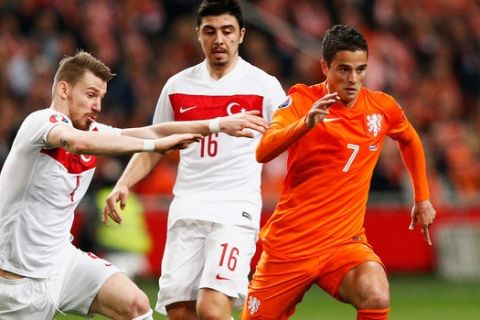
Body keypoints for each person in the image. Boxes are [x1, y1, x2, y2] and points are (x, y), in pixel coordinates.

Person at [0, 51, 268, 320]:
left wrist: (217, 124)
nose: (97, 106)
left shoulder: (91, 131)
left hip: (61, 262)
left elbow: (154, 130)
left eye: (101, 98)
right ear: (63, 89)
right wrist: (153, 146)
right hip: (15, 282)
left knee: (136, 304)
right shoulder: (41, 122)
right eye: (90, 95)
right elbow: (75, 142)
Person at [102, 1, 286, 319]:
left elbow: (289, 136)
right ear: (197, 34)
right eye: (210, 31)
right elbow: (155, 143)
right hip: (187, 209)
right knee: (180, 314)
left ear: (241, 35)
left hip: (234, 211)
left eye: (227, 31)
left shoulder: (264, 86)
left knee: (212, 310)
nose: (219, 39)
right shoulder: (177, 86)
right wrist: (123, 182)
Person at [241, 25, 437, 320]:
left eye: (361, 70)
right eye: (344, 70)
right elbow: (263, 150)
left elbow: (409, 139)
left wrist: (422, 198)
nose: (353, 80)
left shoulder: (381, 108)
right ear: (325, 67)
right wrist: (305, 124)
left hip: (343, 244)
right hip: (291, 246)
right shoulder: (302, 101)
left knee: (376, 291)